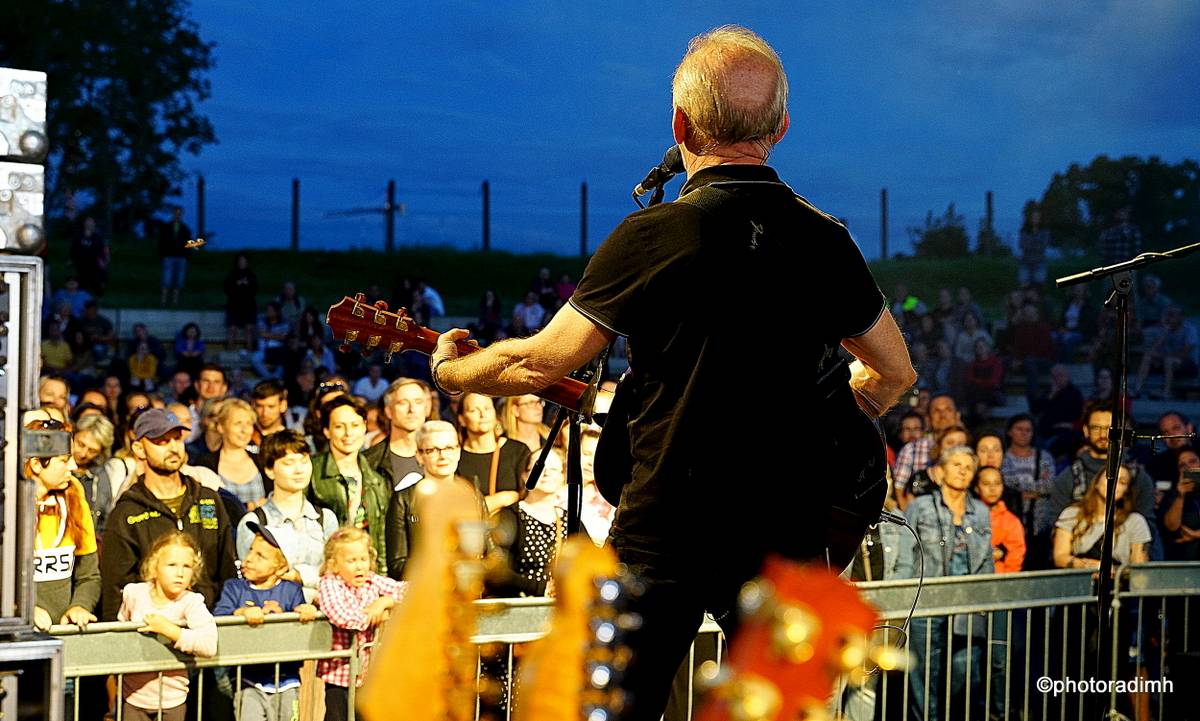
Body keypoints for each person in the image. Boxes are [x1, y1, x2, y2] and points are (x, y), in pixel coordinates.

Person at [426, 26, 914, 719]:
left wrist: (452, 372)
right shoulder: (826, 240)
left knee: (614, 707)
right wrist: (833, 417)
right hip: (787, 540)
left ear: (680, 124)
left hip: (664, 529)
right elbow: (894, 372)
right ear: (781, 127)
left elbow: (541, 360)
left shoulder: (651, 235)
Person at [100, 409, 237, 618]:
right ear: (139, 449)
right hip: (151, 629)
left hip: (209, 622)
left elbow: (227, 571)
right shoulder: (126, 513)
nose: (173, 448)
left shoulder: (208, 500)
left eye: (177, 439)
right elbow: (115, 591)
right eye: (161, 441)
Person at [895, 445, 994, 721]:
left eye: (968, 467)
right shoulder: (920, 506)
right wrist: (902, 596)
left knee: (965, 670)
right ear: (940, 471)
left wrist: (987, 597)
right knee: (925, 673)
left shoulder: (980, 511)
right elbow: (906, 553)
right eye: (956, 465)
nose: (963, 471)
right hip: (927, 601)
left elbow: (986, 559)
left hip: (967, 602)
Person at [214, 522, 318, 721]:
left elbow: (301, 626)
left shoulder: (291, 590)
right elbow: (219, 618)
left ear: (281, 567)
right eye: (251, 550)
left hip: (287, 680)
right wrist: (242, 613)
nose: (249, 558)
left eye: (260, 556)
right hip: (247, 680)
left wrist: (306, 612)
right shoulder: (234, 588)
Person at [117, 531, 218, 721]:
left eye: (187, 566)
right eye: (172, 565)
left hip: (172, 700)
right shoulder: (134, 594)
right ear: (154, 567)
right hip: (132, 697)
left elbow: (209, 645)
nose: (180, 573)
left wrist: (170, 630)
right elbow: (120, 635)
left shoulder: (191, 601)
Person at [316, 527, 406, 721]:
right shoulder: (329, 583)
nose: (359, 567)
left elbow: (410, 590)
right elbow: (342, 616)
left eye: (363, 559)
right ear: (334, 564)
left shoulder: (371, 580)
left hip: (368, 675)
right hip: (340, 676)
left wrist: (385, 602)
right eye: (352, 561)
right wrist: (373, 616)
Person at [237, 430, 338, 601]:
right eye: (289, 463)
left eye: (304, 461)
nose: (299, 470)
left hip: (323, 611)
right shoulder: (253, 522)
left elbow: (335, 574)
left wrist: (299, 575)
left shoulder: (325, 519)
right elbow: (251, 579)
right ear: (269, 470)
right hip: (273, 611)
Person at [26, 416, 101, 632]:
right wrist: (21, 611)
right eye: (64, 460)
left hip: (64, 634)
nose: (74, 466)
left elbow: (89, 575)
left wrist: (80, 605)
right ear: (36, 464)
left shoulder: (74, 495)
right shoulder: (9, 504)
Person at [308, 396, 391, 574]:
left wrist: (382, 576)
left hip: (365, 574)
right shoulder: (311, 472)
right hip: (326, 571)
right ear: (327, 431)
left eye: (355, 425)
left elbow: (381, 537)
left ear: (364, 427)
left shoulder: (377, 480)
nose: (348, 433)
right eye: (339, 426)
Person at [1053, 465, 1151, 569]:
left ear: (1126, 491)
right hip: (1079, 576)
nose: (1114, 484)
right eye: (1110, 477)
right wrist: (1087, 565)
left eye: (1122, 482)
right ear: (1096, 482)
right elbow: (1060, 557)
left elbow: (1139, 567)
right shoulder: (1072, 514)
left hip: (1118, 577)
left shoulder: (1135, 521)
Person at [455, 392, 530, 513]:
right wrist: (502, 499)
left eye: (487, 408)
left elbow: (527, 496)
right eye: (474, 410)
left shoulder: (518, 451)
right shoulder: (455, 457)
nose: (483, 414)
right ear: (462, 419)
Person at [193, 398, 267, 509]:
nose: (244, 430)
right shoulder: (206, 464)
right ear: (221, 427)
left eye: (248, 424)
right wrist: (250, 506)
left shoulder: (262, 460)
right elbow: (205, 508)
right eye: (238, 423)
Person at [362, 378, 428, 489]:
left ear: (426, 409)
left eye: (418, 402)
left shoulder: (447, 455)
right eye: (403, 403)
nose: (412, 409)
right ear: (388, 411)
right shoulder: (368, 461)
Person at [975, 466, 1026, 573]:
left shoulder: (1011, 521)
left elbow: (1015, 556)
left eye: (997, 483)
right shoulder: (967, 516)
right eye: (986, 484)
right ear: (976, 488)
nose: (992, 489)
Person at [1159, 448, 1200, 560]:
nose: (1188, 467)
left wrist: (1195, 535)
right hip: (1183, 559)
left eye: (1192, 461)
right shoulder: (1172, 496)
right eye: (1182, 465)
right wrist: (1180, 496)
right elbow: (1171, 527)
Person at [223, 252, 258, 351]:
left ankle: (249, 351)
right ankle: (230, 352)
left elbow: (255, 290)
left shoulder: (251, 275)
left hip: (249, 306)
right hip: (233, 306)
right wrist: (237, 284)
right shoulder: (231, 274)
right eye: (240, 261)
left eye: (244, 261)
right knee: (232, 329)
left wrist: (247, 284)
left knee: (249, 329)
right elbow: (226, 289)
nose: (242, 262)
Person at [158, 205, 192, 306]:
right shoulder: (166, 227)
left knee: (179, 280)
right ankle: (163, 301)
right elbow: (161, 242)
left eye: (179, 214)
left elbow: (188, 243)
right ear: (173, 214)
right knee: (166, 279)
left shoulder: (185, 228)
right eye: (176, 213)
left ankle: (175, 302)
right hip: (168, 256)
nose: (177, 216)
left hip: (181, 257)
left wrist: (186, 255)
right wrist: (162, 254)